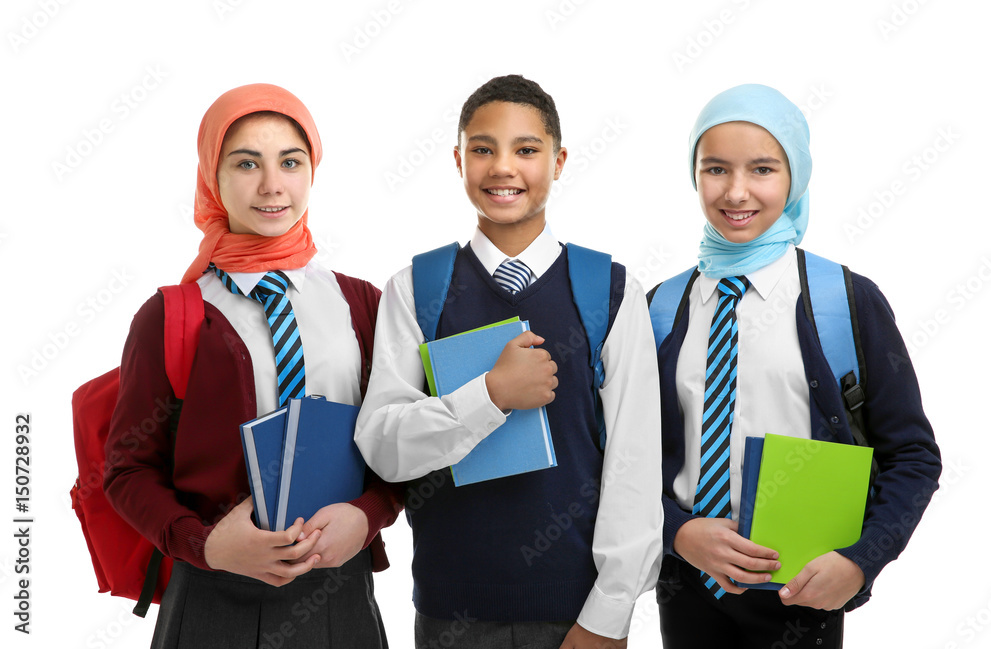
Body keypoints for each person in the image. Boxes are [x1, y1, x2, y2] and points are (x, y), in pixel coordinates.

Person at [353, 74, 663, 649]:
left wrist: (610, 614)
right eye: (483, 149)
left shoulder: (609, 291)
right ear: (458, 159)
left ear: (559, 160)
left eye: (526, 150)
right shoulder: (416, 288)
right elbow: (384, 447)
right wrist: (489, 397)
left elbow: (635, 465)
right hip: (452, 614)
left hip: (578, 615)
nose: (503, 167)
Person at [103, 83, 403, 649]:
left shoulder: (363, 304)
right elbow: (126, 471)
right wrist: (207, 544)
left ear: (311, 171)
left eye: (290, 162)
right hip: (211, 602)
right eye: (246, 163)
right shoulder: (173, 314)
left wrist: (368, 515)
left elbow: (399, 443)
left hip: (340, 598)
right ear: (212, 177)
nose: (272, 185)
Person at [653, 83, 942, 647]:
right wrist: (678, 532)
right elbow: (619, 461)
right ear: (695, 175)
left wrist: (861, 561)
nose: (736, 191)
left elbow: (912, 455)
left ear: (795, 179)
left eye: (762, 169)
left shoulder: (845, 300)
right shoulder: (660, 308)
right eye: (715, 169)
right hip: (686, 591)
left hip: (804, 595)